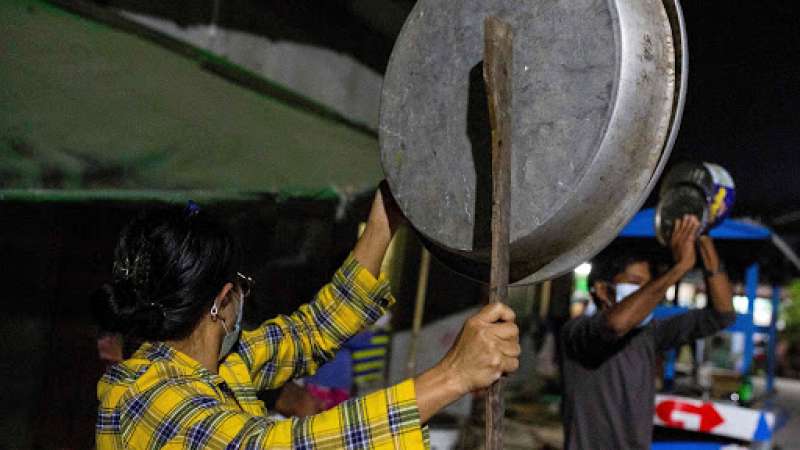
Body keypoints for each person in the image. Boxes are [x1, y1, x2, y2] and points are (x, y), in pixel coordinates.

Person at [93, 186, 520, 449]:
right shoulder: (146, 399)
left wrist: (381, 226)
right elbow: (283, 445)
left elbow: (312, 331)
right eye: (241, 283)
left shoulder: (218, 365)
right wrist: (451, 377)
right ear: (222, 302)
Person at [560, 215, 735, 450]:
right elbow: (615, 325)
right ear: (602, 290)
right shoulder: (577, 333)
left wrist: (702, 236)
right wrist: (679, 268)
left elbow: (722, 313)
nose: (646, 295)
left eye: (647, 286)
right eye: (635, 283)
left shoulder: (649, 334)